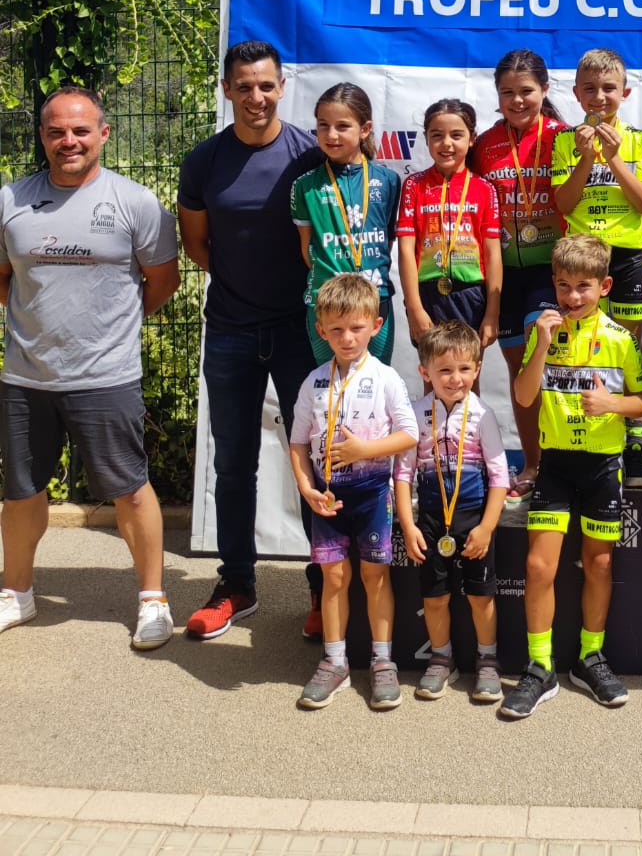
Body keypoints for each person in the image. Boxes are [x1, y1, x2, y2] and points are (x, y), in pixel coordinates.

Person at [0, 86, 180, 648]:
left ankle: (153, 600)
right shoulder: (11, 200)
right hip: (26, 377)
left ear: (103, 134)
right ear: (42, 137)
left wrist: (110, 330)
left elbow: (163, 280)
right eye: (56, 131)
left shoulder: (137, 203)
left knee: (129, 489)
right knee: (22, 491)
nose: (68, 141)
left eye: (80, 130)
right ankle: (18, 594)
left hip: (107, 376)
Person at [177, 39, 323, 640]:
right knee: (233, 466)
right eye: (244, 86)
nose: (256, 97)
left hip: (302, 332)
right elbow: (196, 245)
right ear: (227, 89)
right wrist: (244, 287)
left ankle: (326, 587)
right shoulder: (204, 161)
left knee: (318, 463)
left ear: (282, 87)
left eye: (266, 85)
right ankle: (237, 583)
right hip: (233, 331)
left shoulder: (311, 156)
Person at [499, 234, 642, 719]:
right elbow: (523, 397)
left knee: (599, 565)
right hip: (557, 463)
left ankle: (590, 656)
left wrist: (612, 404)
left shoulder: (623, 340)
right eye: (563, 285)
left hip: (604, 464)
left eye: (583, 286)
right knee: (539, 567)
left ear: (605, 285)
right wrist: (540, 344)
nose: (572, 297)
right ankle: (540, 666)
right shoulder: (546, 329)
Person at [288, 274, 417, 710]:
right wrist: (307, 488)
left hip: (372, 492)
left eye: (357, 328)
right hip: (327, 497)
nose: (347, 337)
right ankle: (334, 662)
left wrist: (365, 449)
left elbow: (409, 434)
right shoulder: (312, 383)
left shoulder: (386, 379)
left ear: (376, 326)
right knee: (334, 578)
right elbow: (298, 443)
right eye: (337, 329)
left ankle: (383, 662)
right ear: (321, 329)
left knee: (375, 576)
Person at [551, 49, 642, 488]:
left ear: (625, 93)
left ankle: (632, 441)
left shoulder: (640, 140)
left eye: (608, 88)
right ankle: (585, 437)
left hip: (627, 257)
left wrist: (612, 157)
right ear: (576, 94)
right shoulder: (563, 141)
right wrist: (588, 158)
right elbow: (563, 203)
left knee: (627, 349)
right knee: (579, 346)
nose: (599, 97)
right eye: (589, 89)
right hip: (580, 255)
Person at [394, 321, 509, 703]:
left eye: (463, 369)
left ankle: (488, 661)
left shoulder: (482, 414)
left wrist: (487, 529)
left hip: (473, 518)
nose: (454, 378)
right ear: (424, 372)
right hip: (430, 519)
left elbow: (498, 477)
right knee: (435, 597)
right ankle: (441, 659)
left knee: (481, 596)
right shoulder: (413, 414)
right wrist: (408, 526)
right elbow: (404, 473)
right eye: (444, 370)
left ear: (477, 369)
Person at [471, 50, 565, 496]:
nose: (517, 100)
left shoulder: (563, 137)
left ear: (544, 90)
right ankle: (532, 464)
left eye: (526, 91)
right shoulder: (485, 145)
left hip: (552, 268)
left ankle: (560, 462)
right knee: (518, 371)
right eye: (506, 92)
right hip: (502, 272)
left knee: (537, 353)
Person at [290, 83, 400, 365]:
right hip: (326, 306)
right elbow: (307, 251)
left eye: (342, 126)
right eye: (323, 125)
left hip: (376, 301)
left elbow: (385, 240)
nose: (331, 134)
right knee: (330, 390)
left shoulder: (387, 181)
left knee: (376, 390)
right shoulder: (304, 186)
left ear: (364, 129)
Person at [397, 99, 502, 346]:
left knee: (468, 375)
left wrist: (492, 313)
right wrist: (414, 308)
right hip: (427, 295)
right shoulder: (414, 185)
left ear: (472, 138)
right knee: (431, 376)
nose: (447, 143)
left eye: (456, 135)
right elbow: (405, 249)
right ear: (426, 138)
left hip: (471, 293)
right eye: (437, 135)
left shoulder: (484, 188)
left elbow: (493, 252)